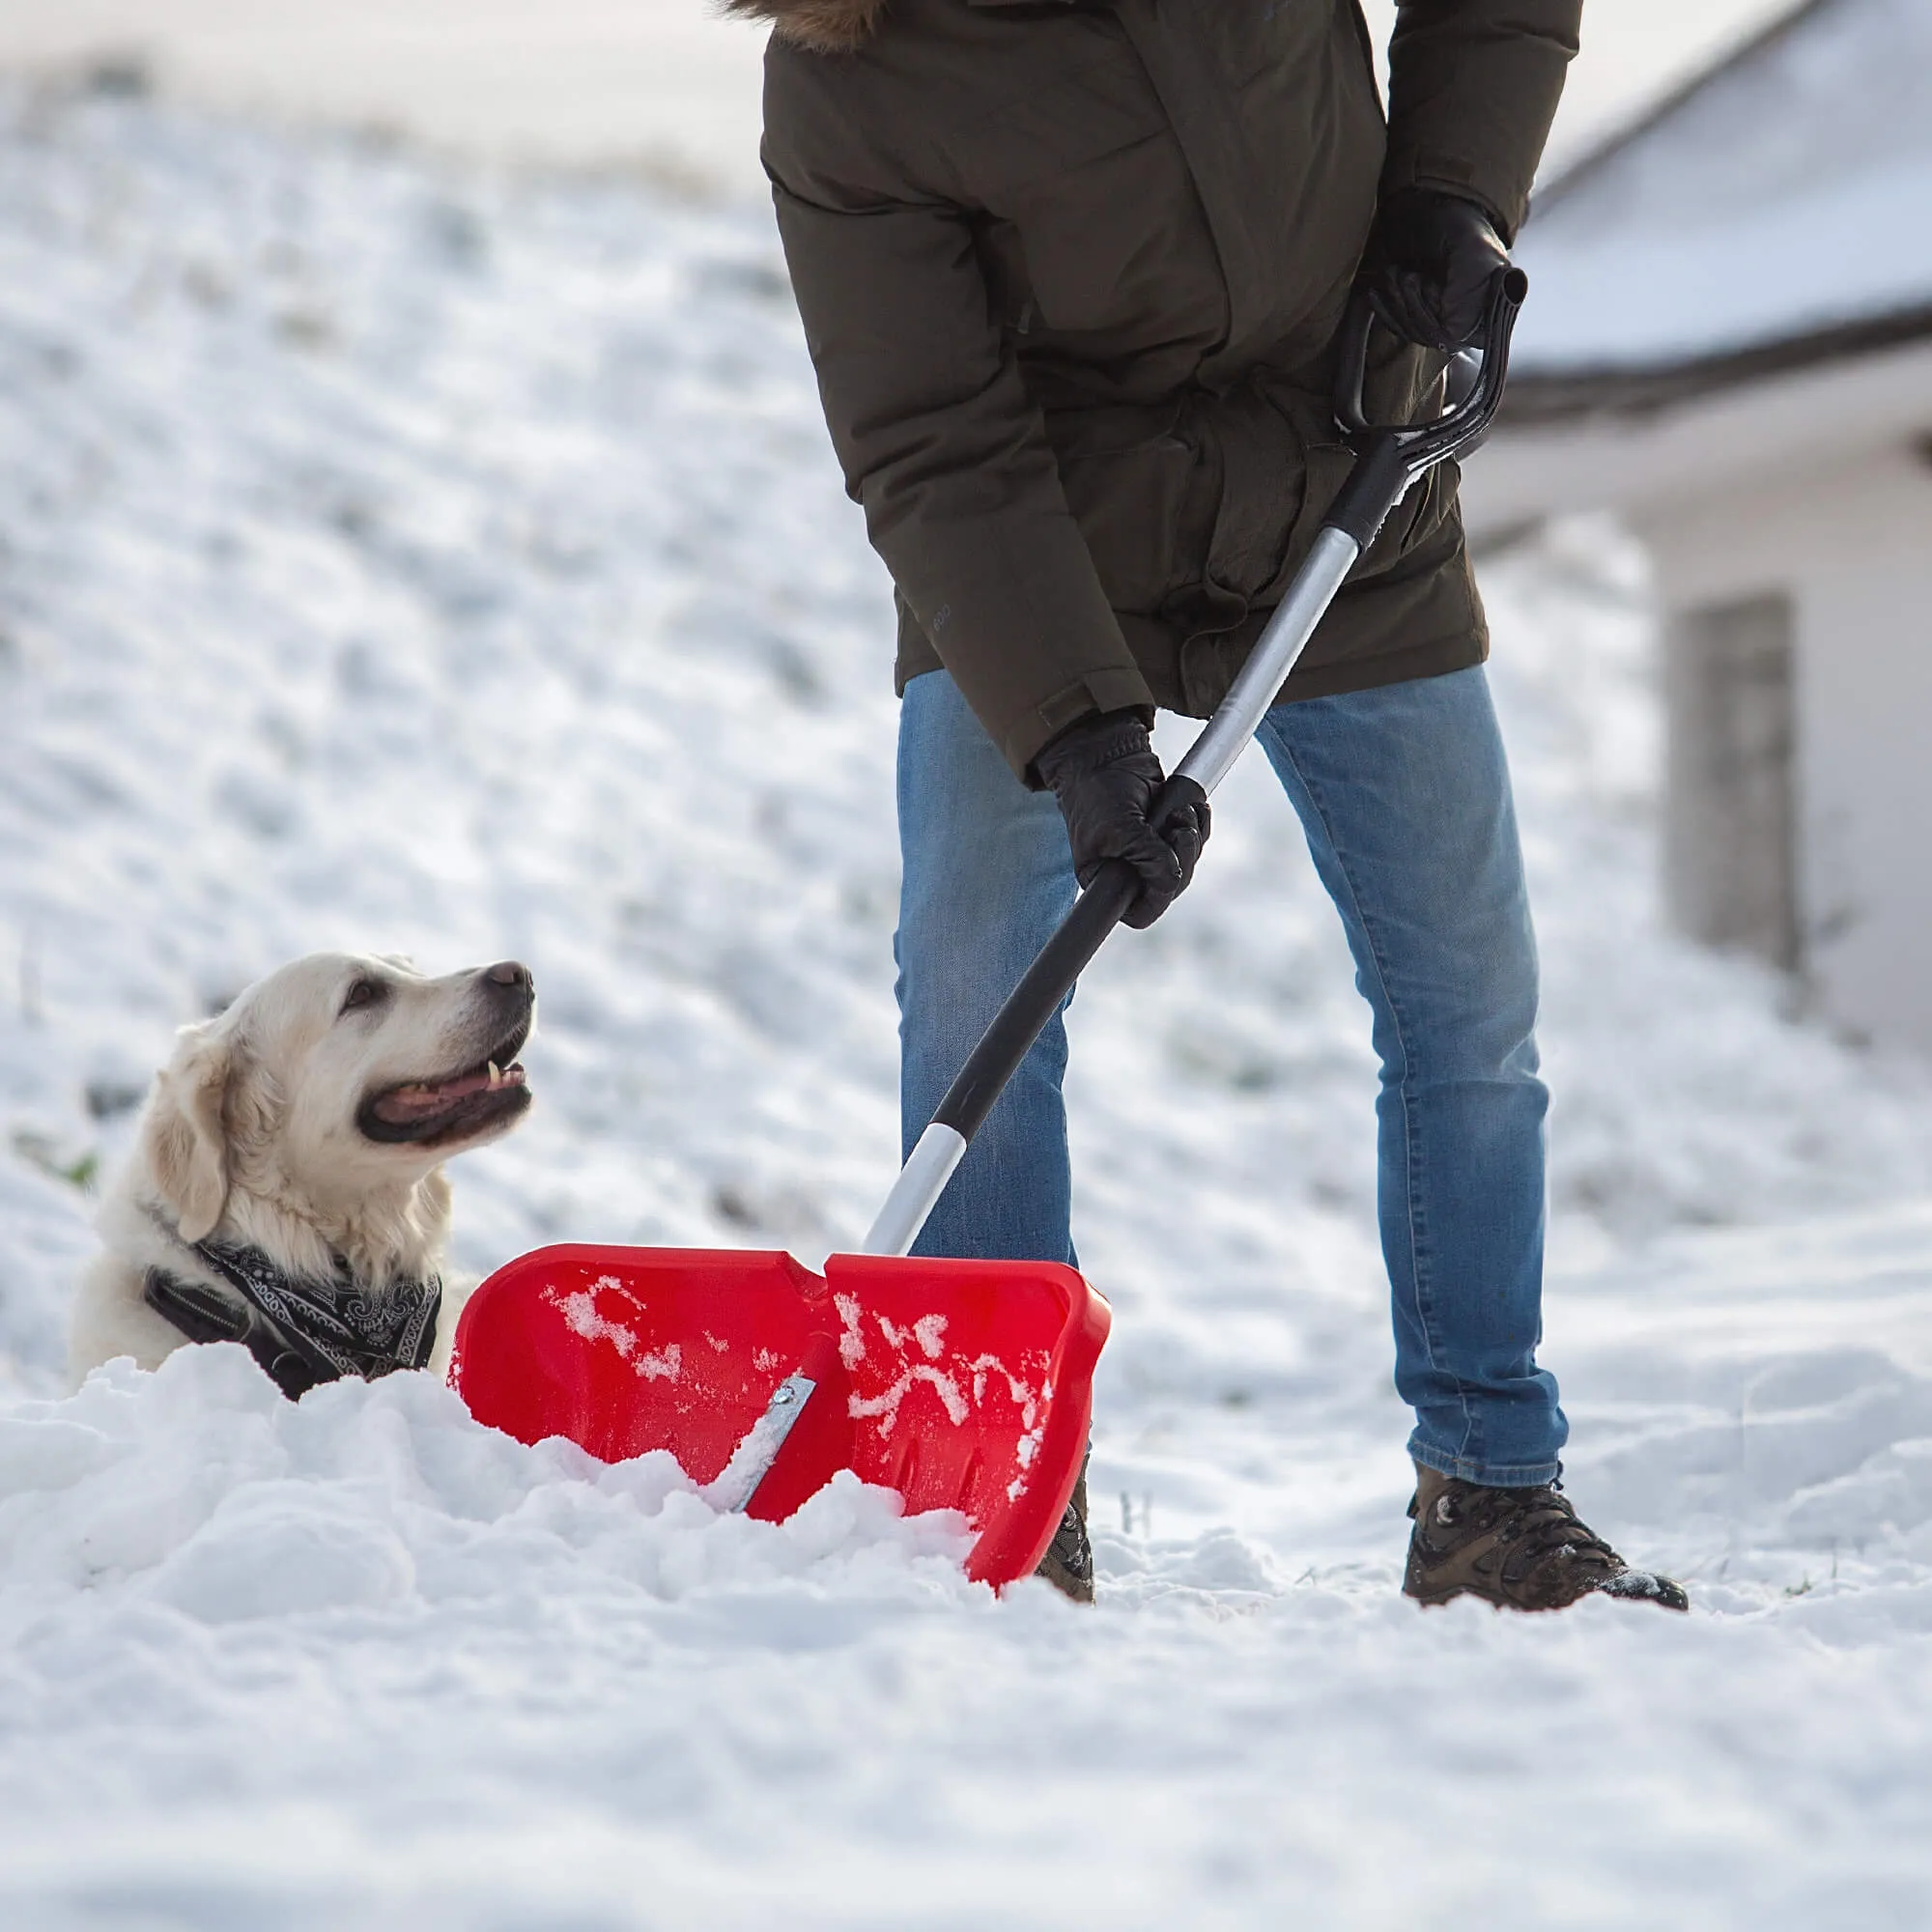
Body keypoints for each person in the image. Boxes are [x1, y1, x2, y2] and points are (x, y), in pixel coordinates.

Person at [737, 0, 1687, 1613]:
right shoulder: (854, 76)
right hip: (1041, 549)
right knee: (977, 1001)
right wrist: (1077, 732)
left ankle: (1490, 1489)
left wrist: (1454, 199)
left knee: (1466, 1002)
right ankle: (1009, 1494)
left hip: (1346, 480)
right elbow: (931, 442)